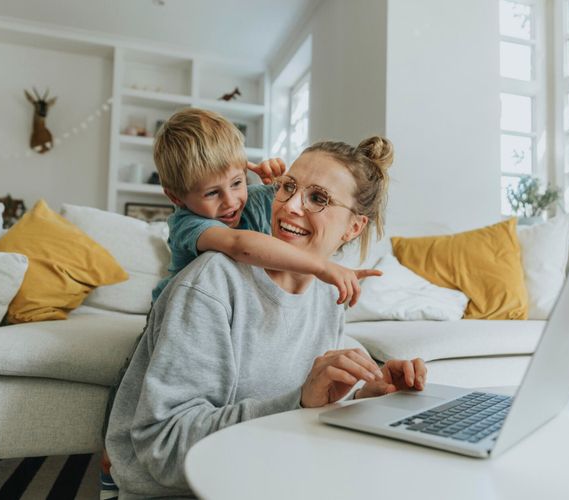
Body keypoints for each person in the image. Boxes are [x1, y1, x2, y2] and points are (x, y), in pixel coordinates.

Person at [105, 136, 427, 498]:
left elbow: (305, 410)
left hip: (266, 476)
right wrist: (300, 402)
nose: (289, 206)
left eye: (317, 198)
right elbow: (162, 448)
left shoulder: (327, 296)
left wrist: (365, 399)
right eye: (288, 187)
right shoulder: (211, 283)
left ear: (354, 228)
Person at [150, 108, 380, 306]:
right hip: (181, 314)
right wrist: (321, 267)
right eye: (212, 193)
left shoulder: (254, 198)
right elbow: (239, 245)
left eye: (237, 183)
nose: (231, 201)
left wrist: (279, 182)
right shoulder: (187, 223)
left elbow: (295, 199)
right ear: (176, 198)